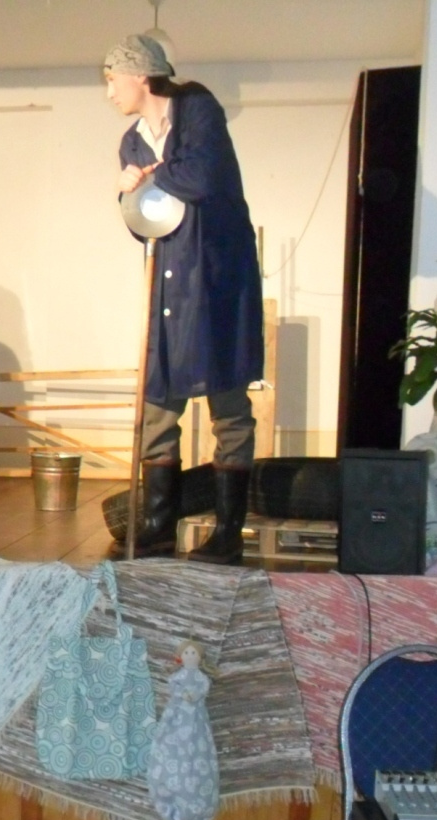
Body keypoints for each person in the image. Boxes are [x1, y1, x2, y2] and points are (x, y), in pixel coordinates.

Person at [105, 34, 263, 563]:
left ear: (140, 75)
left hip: (216, 279)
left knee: (228, 403)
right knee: (157, 406)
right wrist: (126, 193)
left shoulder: (197, 107)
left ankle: (228, 531)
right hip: (169, 280)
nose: (110, 92)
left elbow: (204, 176)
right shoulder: (131, 141)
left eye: (112, 79)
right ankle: (158, 522)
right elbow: (142, 222)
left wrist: (149, 178)